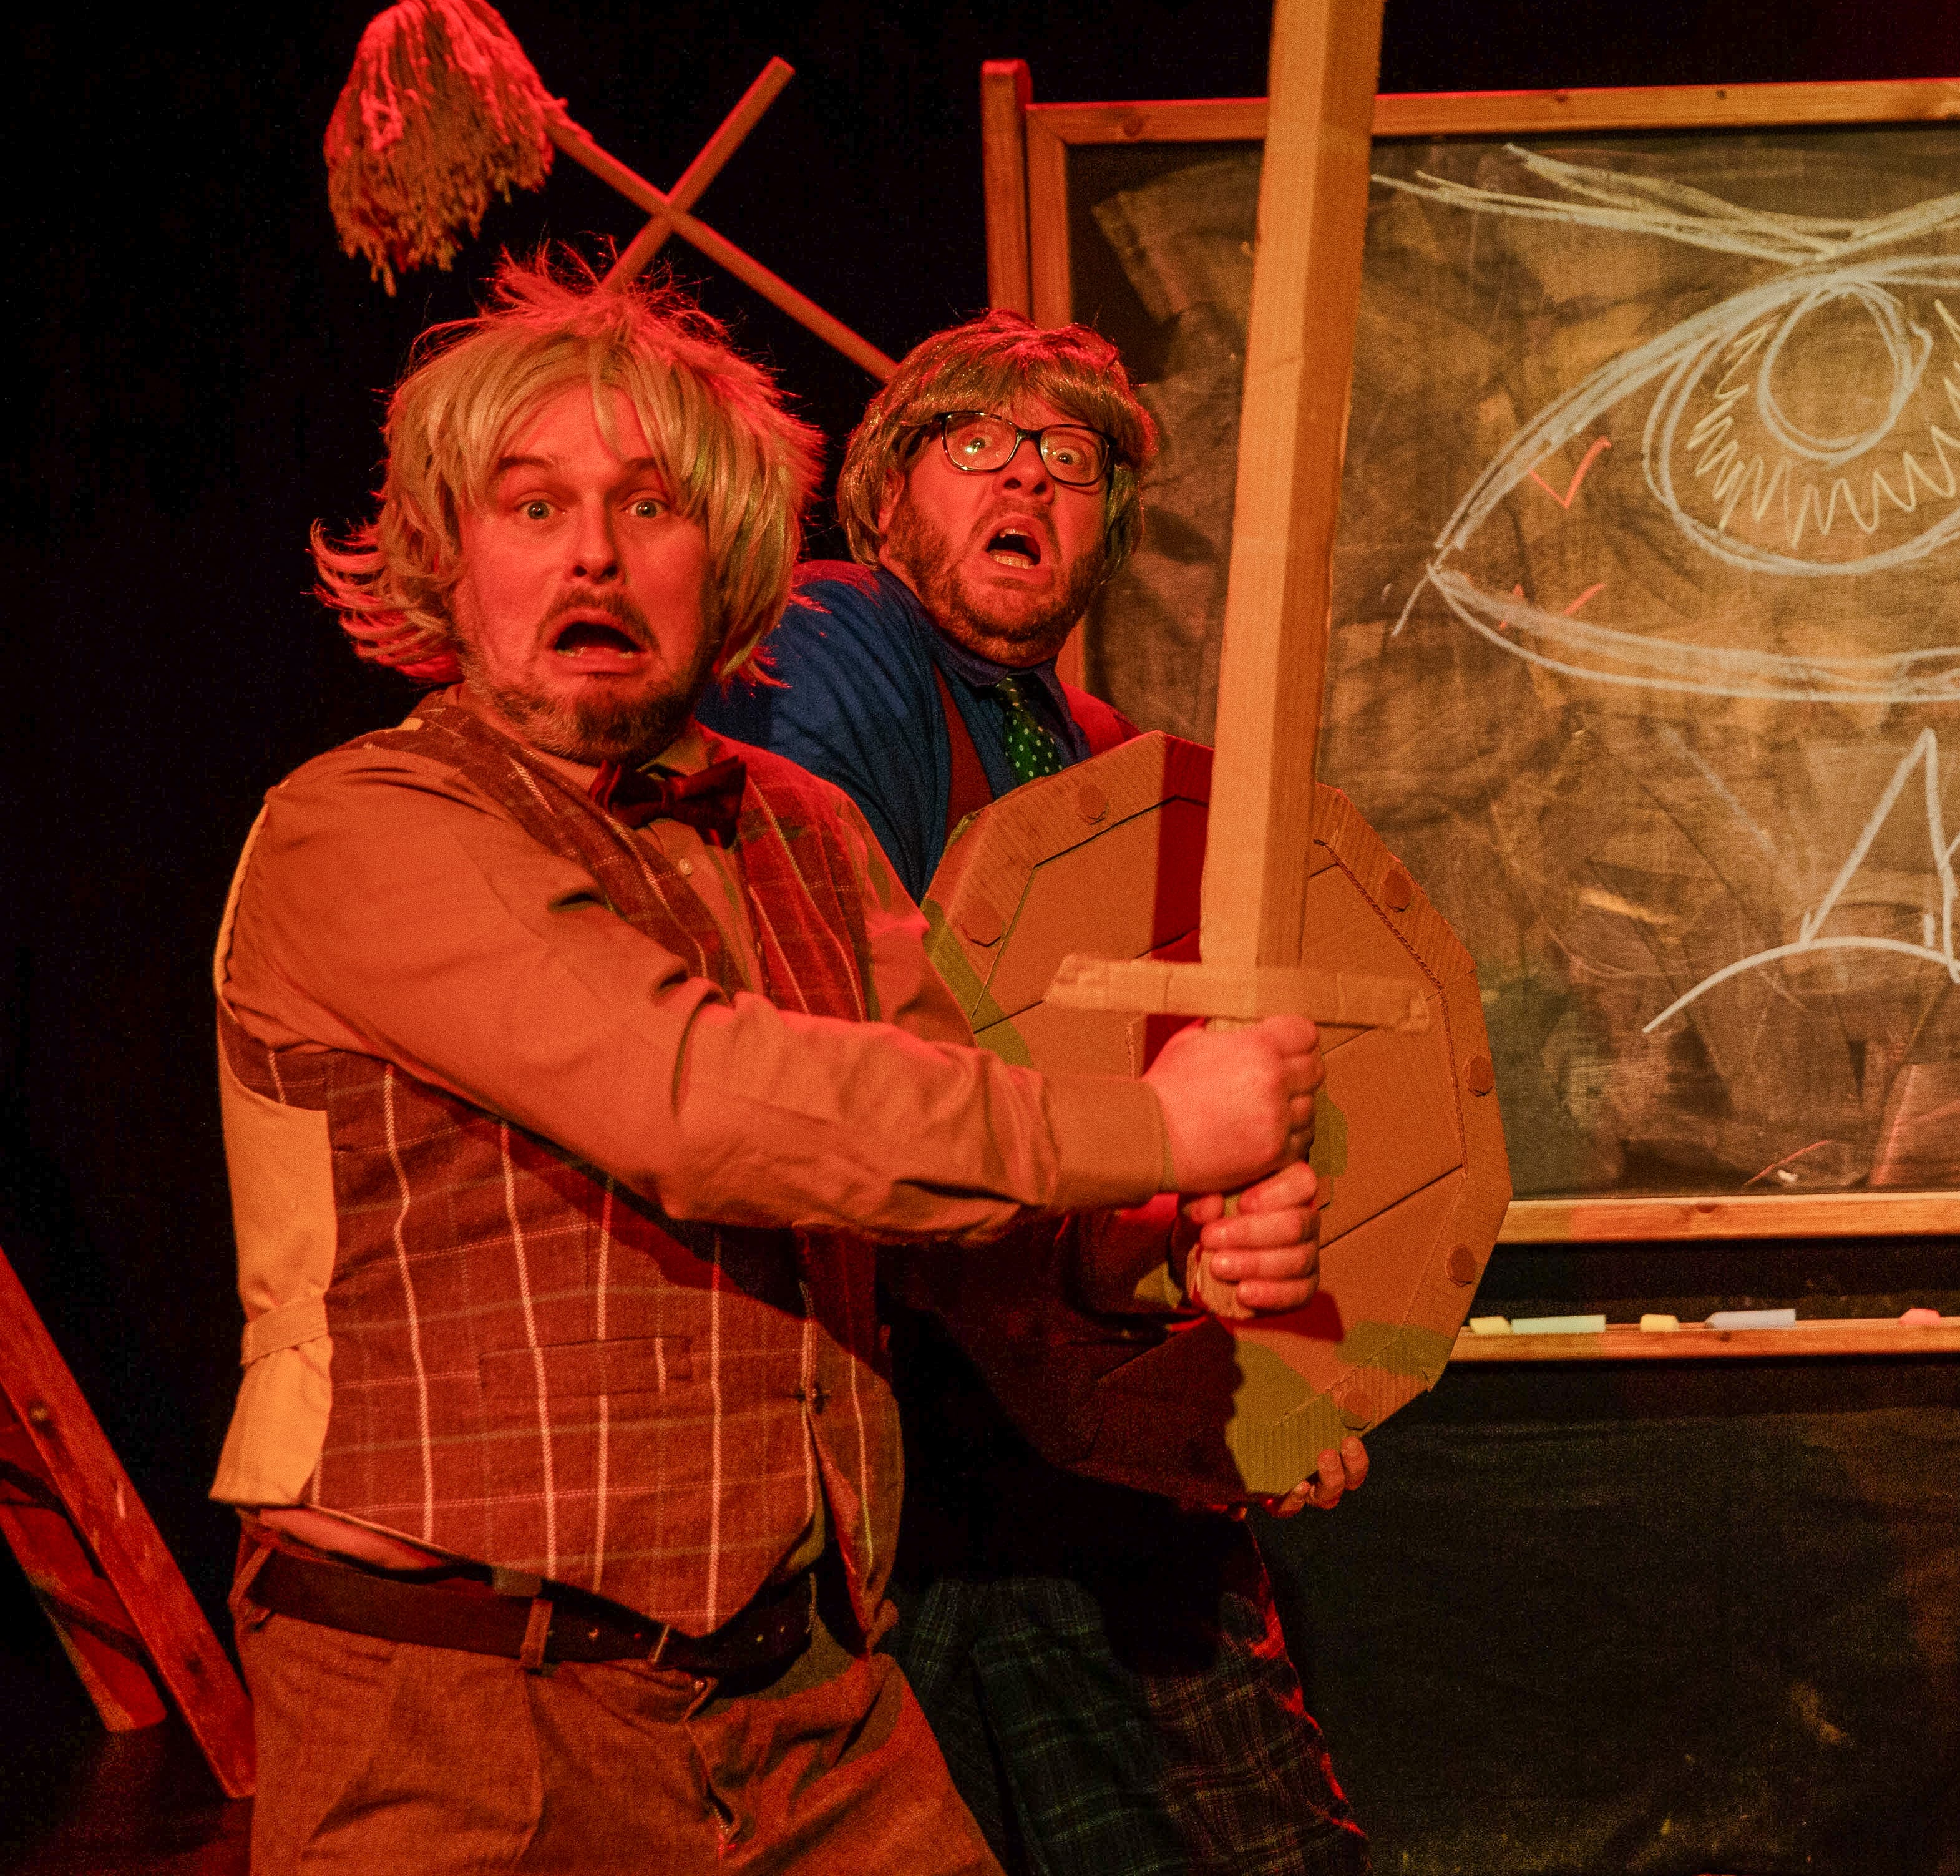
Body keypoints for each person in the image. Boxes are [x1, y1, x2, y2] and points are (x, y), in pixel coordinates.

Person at [211, 260, 1328, 1875]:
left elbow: (955, 1200)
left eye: (647, 505)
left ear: (728, 557)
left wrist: (1152, 1240)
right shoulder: (361, 824)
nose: (591, 549)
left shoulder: (805, 833)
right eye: (531, 507)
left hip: (803, 1706)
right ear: (448, 561)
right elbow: (700, 1101)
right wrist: (1158, 1119)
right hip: (459, 1717)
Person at [706, 311, 1371, 1876]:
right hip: (919, 1421)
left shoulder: (1127, 762)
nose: (1030, 482)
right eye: (979, 446)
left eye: (1070, 463)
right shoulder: (838, 639)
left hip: (1102, 1419)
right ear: (886, 500)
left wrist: (1286, 1344)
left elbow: (1235, 1109)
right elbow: (860, 1011)